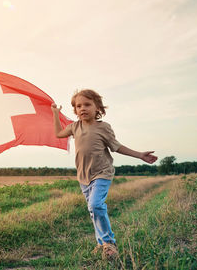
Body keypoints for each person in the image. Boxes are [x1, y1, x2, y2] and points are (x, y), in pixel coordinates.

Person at [51, 89, 157, 260]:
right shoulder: (74, 127)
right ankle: (101, 243)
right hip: (83, 176)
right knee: (93, 211)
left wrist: (140, 155)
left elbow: (117, 146)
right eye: (78, 106)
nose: (82, 109)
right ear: (75, 110)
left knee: (95, 205)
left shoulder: (103, 128)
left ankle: (109, 242)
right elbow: (58, 133)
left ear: (97, 107)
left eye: (87, 104)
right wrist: (55, 114)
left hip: (102, 173)